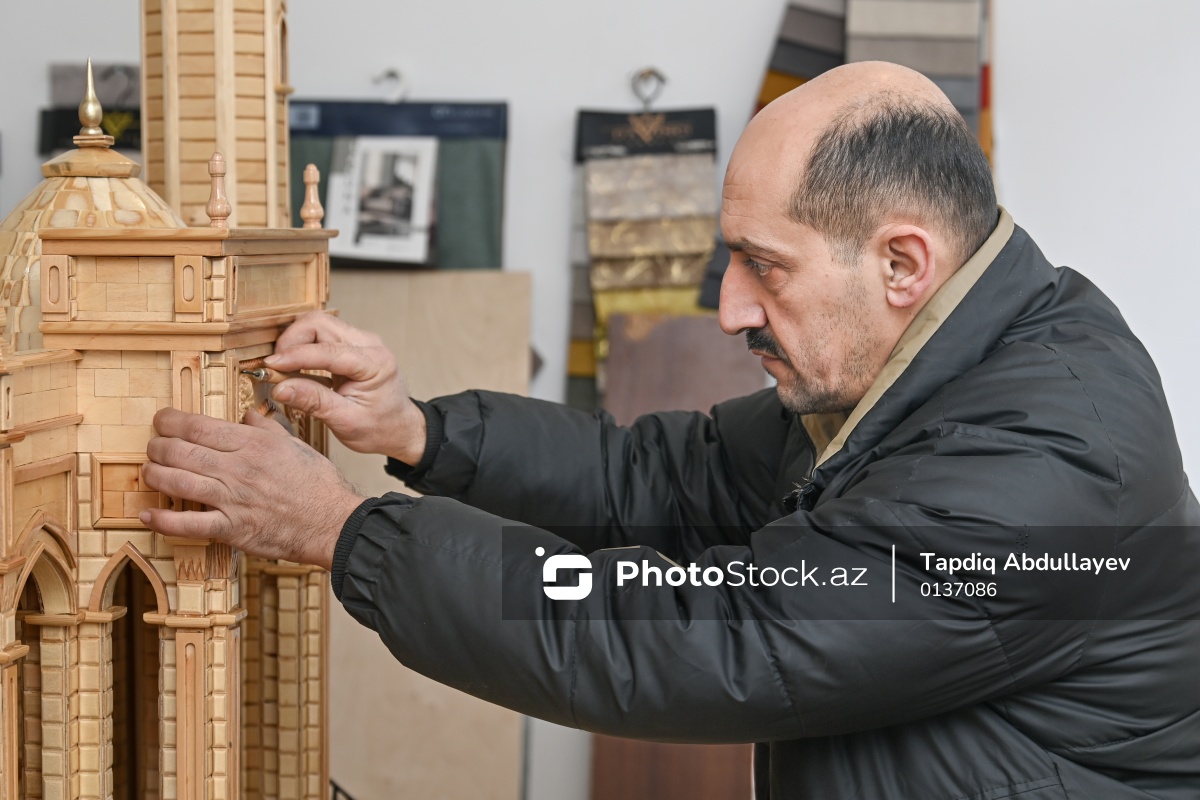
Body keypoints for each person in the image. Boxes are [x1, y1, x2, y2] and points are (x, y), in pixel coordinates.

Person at [141, 62, 1200, 799]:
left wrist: (342, 531)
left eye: (765, 266)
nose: (732, 308)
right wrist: (418, 431)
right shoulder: (941, 361)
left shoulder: (1043, 470)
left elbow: (711, 637)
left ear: (902, 264)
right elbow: (664, 475)